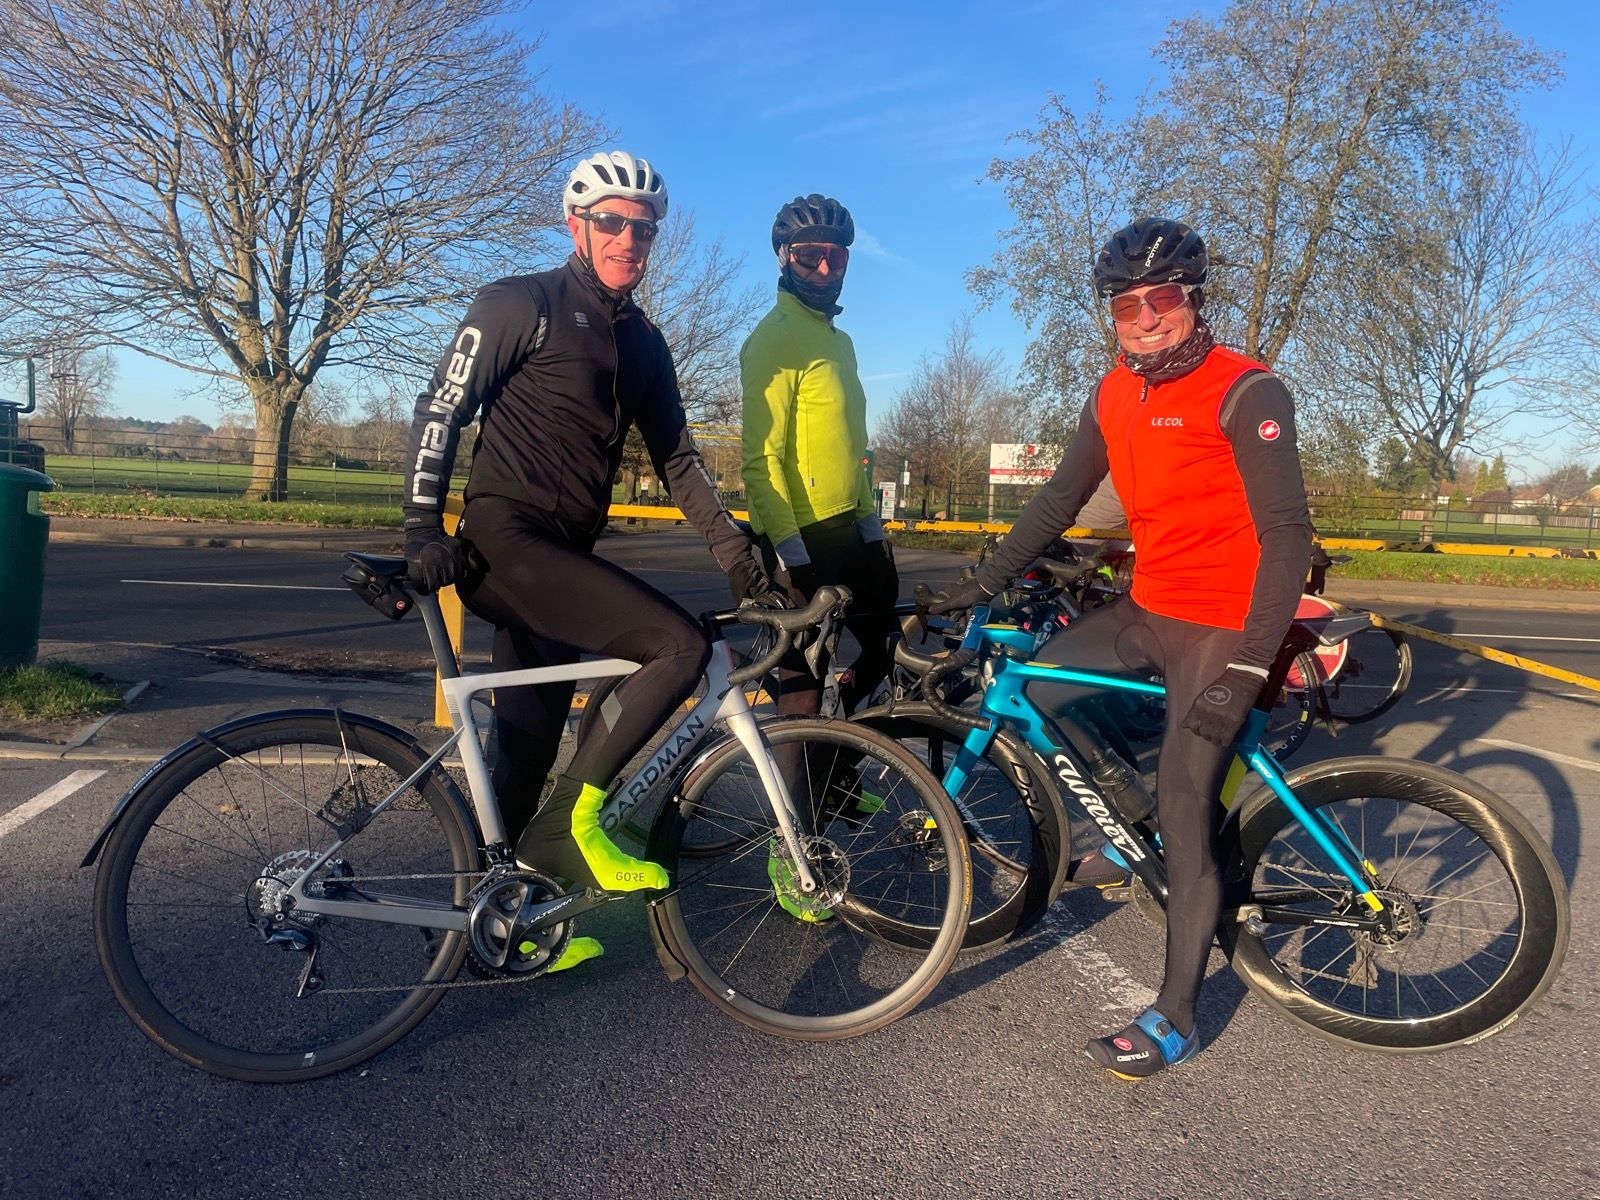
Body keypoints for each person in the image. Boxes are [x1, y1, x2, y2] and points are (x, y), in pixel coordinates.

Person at [930, 217, 1312, 1078]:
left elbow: (1288, 534)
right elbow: (1058, 498)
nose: (1144, 316)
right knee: (1048, 693)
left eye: (1162, 297)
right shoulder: (1114, 392)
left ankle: (1176, 1011)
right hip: (1150, 607)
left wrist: (1250, 665)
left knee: (1184, 807)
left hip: (1224, 626)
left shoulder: (1245, 390)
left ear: (1194, 298)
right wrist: (985, 582)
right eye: (1125, 303)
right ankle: (1128, 831)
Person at [401, 151, 781, 939]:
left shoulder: (645, 343)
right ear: (576, 224)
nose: (627, 240)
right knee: (677, 645)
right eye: (610, 222)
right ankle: (581, 825)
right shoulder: (521, 303)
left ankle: (494, 927)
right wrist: (419, 525)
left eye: (642, 229)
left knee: (526, 754)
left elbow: (680, 462)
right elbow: (441, 406)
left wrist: (741, 561)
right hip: (507, 542)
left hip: (563, 555)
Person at [740, 194, 898, 721]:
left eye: (837, 255)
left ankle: (833, 767)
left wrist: (871, 530)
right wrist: (792, 557)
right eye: (810, 255)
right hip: (800, 540)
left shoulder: (841, 342)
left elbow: (852, 449)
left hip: (848, 530)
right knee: (804, 680)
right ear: (784, 256)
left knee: (887, 652)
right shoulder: (773, 339)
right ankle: (799, 801)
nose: (826, 267)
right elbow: (760, 460)